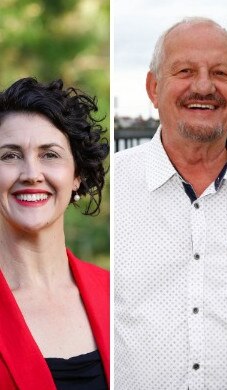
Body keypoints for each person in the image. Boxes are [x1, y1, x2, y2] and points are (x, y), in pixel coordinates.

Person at [114, 17, 227, 389]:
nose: (203, 86)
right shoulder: (109, 187)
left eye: (221, 73)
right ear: (153, 86)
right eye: (185, 70)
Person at [0, 78, 109, 389]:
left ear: (77, 175)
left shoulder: (116, 295)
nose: (32, 174)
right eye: (10, 155)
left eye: (50, 154)